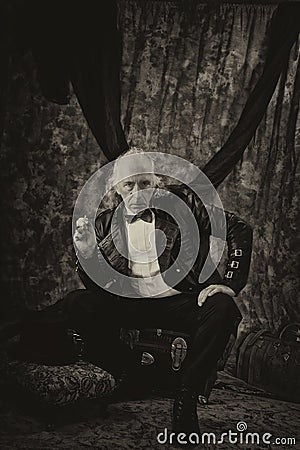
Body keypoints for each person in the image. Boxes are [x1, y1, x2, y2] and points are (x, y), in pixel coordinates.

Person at [70, 147, 253, 439]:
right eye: (129, 184)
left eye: (145, 183)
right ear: (116, 188)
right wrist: (88, 253)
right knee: (78, 303)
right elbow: (98, 288)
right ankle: (127, 373)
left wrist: (230, 282)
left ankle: (186, 397)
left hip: (179, 302)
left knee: (222, 306)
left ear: (156, 183)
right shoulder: (103, 223)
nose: (137, 191)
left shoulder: (185, 205)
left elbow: (240, 228)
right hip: (129, 305)